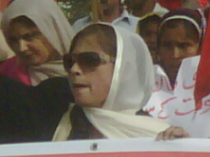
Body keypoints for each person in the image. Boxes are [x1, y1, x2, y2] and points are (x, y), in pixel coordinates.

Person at [54, 23, 185, 140]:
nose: (74, 69)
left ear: (123, 69)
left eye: (89, 60)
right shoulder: (53, 122)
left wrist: (182, 150)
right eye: (70, 61)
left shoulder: (162, 136)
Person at [0, 0, 74, 85]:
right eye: (13, 40)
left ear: (52, 31)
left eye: (29, 37)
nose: (21, 48)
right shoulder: (7, 74)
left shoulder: (88, 67)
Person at [156, 9, 203, 87]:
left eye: (183, 46)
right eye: (167, 46)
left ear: (200, 48)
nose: (175, 55)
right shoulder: (142, 89)